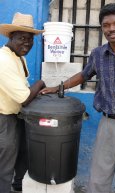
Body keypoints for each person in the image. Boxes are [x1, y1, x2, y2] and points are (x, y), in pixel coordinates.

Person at [40, 3, 115, 193]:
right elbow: (84, 75)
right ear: (102, 27)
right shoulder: (98, 54)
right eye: (106, 25)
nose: (112, 29)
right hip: (108, 123)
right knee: (98, 179)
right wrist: (58, 87)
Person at [0, 12, 45, 193]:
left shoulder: (18, 57)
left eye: (30, 39)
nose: (27, 43)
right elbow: (25, 97)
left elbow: (23, 88)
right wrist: (41, 83)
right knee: (5, 166)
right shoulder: (3, 60)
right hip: (4, 119)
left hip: (17, 116)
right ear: (11, 37)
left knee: (21, 157)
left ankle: (18, 187)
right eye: (22, 38)